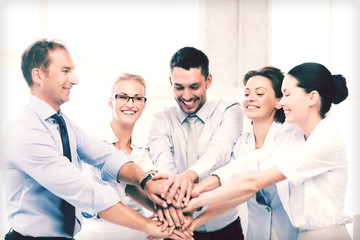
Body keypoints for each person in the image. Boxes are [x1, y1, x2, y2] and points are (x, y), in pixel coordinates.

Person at [0, 39, 186, 240]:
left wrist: (146, 181)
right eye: (65, 71)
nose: (75, 79)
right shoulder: (25, 132)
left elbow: (105, 156)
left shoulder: (62, 123)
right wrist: (149, 225)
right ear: (38, 75)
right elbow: (85, 191)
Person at [183, 62, 352, 240]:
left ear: (312, 98)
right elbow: (248, 165)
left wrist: (196, 201)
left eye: (287, 95)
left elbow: (254, 182)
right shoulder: (295, 140)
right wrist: (198, 193)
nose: (283, 101)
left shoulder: (326, 140)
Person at [188, 66, 303, 240]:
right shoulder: (242, 144)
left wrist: (197, 195)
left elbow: (251, 174)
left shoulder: (290, 134)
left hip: (292, 233)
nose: (250, 99)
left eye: (259, 93)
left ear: (279, 101)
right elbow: (233, 193)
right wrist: (194, 223)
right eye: (247, 93)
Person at [148, 46, 244, 239]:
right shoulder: (160, 119)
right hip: (176, 228)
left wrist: (189, 175)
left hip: (225, 229)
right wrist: (174, 191)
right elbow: (164, 166)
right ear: (170, 82)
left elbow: (220, 150)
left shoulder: (229, 110)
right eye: (179, 87)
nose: (187, 96)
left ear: (208, 81)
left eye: (194, 86)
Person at [79, 73, 159, 239]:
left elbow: (154, 188)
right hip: (97, 231)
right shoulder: (92, 142)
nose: (130, 104)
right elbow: (126, 185)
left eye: (137, 98)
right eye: (123, 97)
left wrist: (162, 215)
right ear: (111, 102)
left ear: (144, 105)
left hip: (137, 232)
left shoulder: (146, 147)